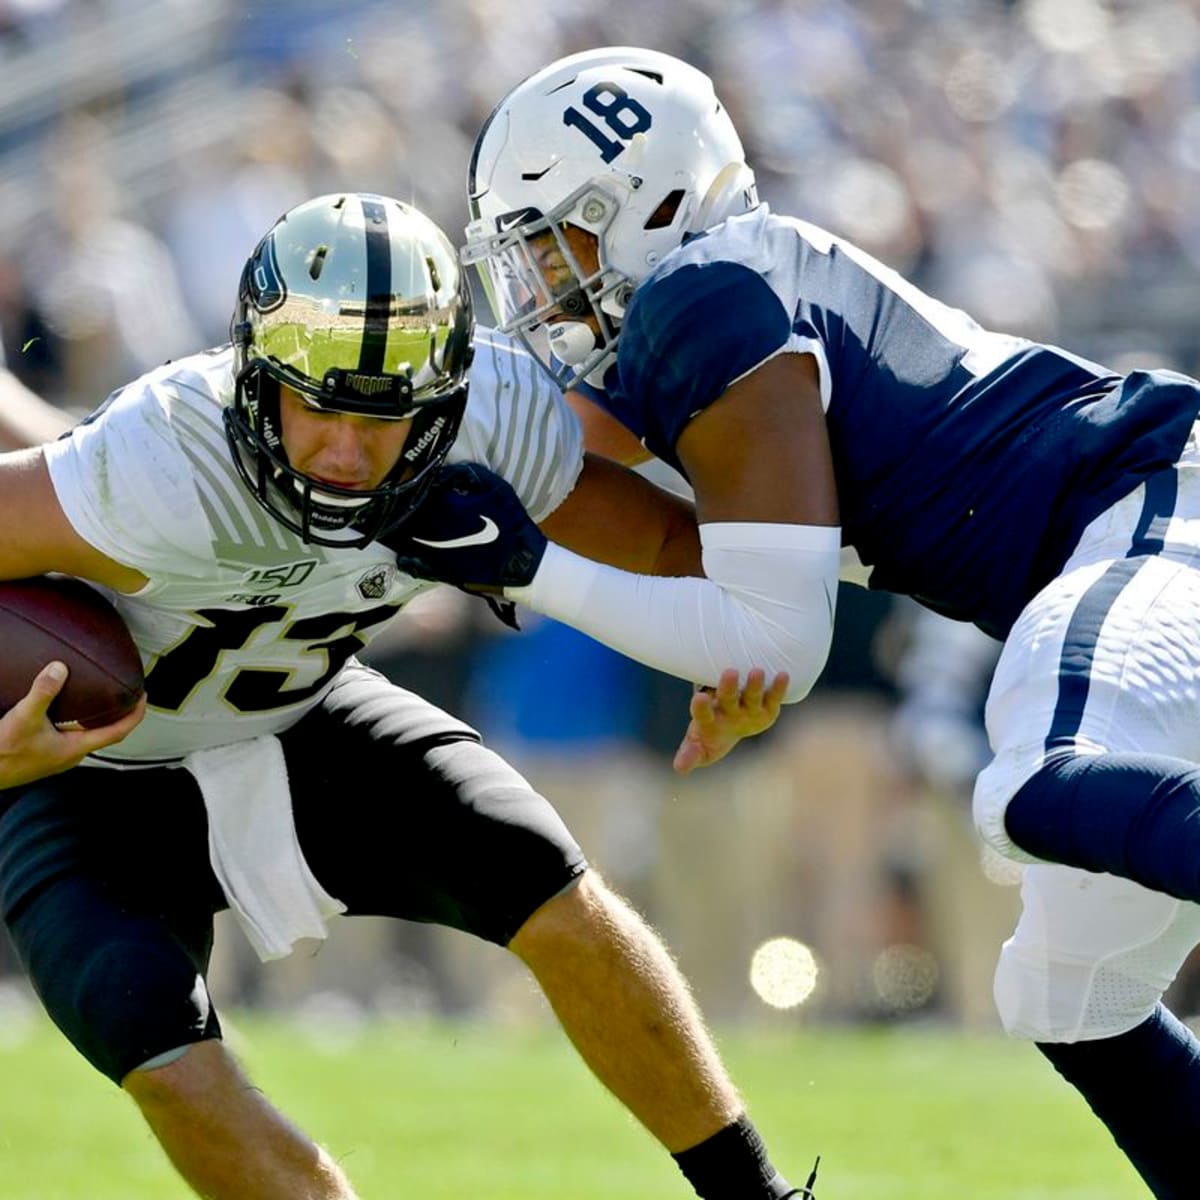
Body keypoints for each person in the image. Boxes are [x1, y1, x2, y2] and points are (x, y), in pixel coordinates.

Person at [395, 44, 1200, 1198]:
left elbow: (776, 641)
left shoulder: (704, 297)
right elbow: (639, 519)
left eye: (548, 239)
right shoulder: (703, 302)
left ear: (644, 205)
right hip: (1127, 537)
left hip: (1149, 502)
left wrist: (528, 568)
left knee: (1030, 777)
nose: (533, 281)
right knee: (1068, 994)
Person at [0, 191, 814, 1200]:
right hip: (91, 775)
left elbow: (668, 547)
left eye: (384, 419)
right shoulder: (159, 460)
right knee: (161, 1051)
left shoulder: (496, 419)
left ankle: (759, 1198)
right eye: (319, 408)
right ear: (256, 379)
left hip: (306, 714)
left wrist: (734, 659)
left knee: (555, 892)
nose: (347, 454)